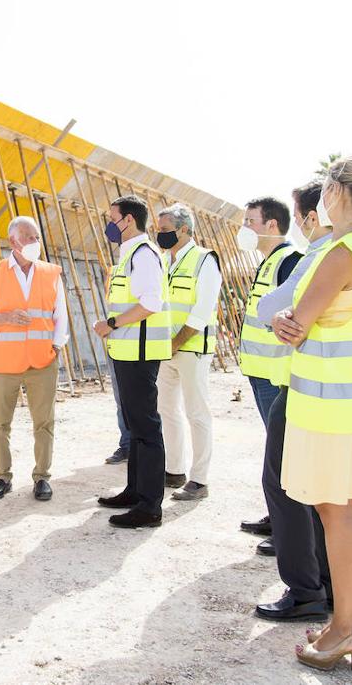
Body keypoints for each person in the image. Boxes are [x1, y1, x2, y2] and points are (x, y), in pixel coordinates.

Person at [271, 156, 352, 671]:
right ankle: (351, 622)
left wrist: (288, 317)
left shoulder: (342, 251)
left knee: (336, 512)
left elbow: (295, 324)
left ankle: (347, 627)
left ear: (337, 192)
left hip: (328, 408)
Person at [250, 181, 336, 622]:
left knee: (285, 485)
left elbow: (276, 306)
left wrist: (280, 313)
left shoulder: (322, 255)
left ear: (309, 216)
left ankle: (306, 591)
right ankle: (327, 586)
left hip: (303, 386)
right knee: (322, 494)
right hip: (334, 390)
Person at [0, 216, 70, 501]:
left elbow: (60, 315)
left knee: (44, 422)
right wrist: (3, 317)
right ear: (13, 241)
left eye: (36, 236)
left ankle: (42, 477)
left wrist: (56, 346)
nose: (35, 242)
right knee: (0, 424)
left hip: (43, 361)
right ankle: (3, 476)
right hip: (4, 363)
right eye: (29, 237)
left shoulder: (51, 273)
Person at [94, 195, 172, 528]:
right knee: (136, 425)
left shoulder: (143, 255)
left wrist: (110, 324)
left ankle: (150, 506)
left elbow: (151, 303)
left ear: (128, 220)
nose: (108, 224)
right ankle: (135, 490)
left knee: (146, 427)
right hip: (127, 352)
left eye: (112, 217)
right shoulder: (129, 255)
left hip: (140, 353)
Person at [235, 196, 302, 552]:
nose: (245, 229)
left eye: (250, 221)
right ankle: (277, 517)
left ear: (271, 225)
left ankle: (288, 531)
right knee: (275, 452)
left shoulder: (289, 260)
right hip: (262, 372)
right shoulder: (270, 261)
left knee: (285, 455)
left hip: (277, 375)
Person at [154, 203, 222, 500]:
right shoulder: (166, 261)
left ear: (184, 230)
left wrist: (176, 342)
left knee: (197, 412)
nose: (160, 235)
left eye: (165, 230)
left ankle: (199, 479)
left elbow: (202, 309)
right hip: (166, 349)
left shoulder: (204, 260)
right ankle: (174, 469)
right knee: (167, 409)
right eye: (158, 230)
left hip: (191, 348)